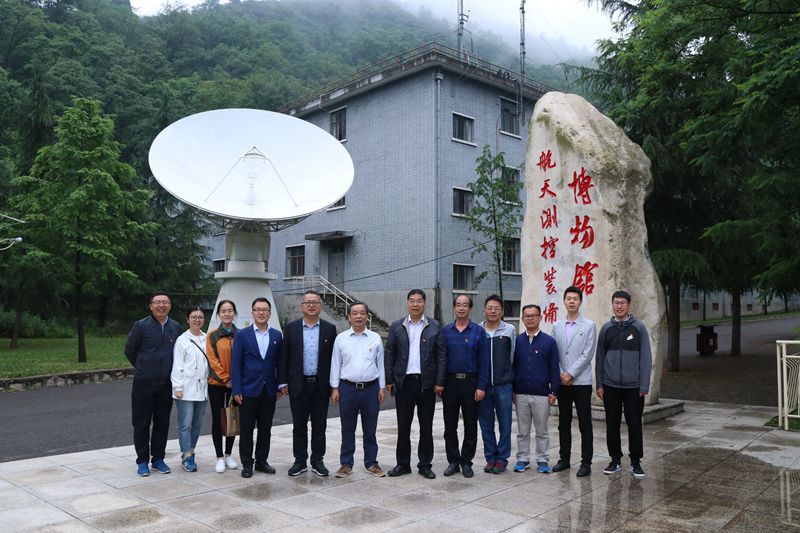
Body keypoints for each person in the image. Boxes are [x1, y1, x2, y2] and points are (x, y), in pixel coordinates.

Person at [385, 289, 445, 480]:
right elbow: (390, 354)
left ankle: (425, 465)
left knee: (426, 427)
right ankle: (402, 464)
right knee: (403, 426)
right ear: (407, 303)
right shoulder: (397, 326)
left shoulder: (435, 326)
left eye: (419, 301)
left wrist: (439, 381)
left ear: (424, 303)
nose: (415, 304)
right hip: (404, 383)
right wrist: (389, 379)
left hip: (426, 384)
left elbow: (441, 355)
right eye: (412, 301)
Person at [278, 290, 337, 477]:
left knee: (320, 426)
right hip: (299, 385)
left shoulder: (329, 329)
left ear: (320, 306)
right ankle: (300, 461)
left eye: (315, 302)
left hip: (321, 386)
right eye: (307, 302)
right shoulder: (291, 328)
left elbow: (334, 359)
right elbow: (284, 356)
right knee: (299, 426)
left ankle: (318, 460)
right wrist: (282, 382)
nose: (311, 305)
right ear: (302, 306)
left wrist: (334, 385)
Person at [595, 290, 653, 480]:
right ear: (612, 305)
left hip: (633, 387)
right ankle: (615, 460)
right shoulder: (606, 329)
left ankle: (636, 461)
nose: (619, 306)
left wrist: (644, 385)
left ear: (629, 305)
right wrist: (599, 383)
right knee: (612, 424)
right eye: (616, 303)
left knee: (634, 424)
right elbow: (600, 357)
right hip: (610, 385)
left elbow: (646, 358)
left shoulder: (639, 328)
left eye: (622, 303)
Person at [125, 292, 181, 477]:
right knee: (141, 423)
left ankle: (158, 459)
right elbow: (130, 350)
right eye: (157, 302)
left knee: (162, 423)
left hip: (166, 384)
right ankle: (142, 461)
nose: (161, 306)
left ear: (170, 305)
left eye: (165, 302)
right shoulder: (141, 326)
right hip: (143, 383)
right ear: (151, 306)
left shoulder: (175, 327)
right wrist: (143, 367)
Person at [330, 302, 386, 478]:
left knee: (370, 429)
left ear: (367, 316)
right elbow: (335, 364)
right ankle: (346, 463)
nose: (359, 316)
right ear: (349, 317)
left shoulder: (375, 338)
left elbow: (380, 364)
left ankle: (371, 462)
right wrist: (334, 387)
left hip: (371, 389)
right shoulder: (341, 339)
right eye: (355, 313)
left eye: (362, 313)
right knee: (347, 428)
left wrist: (382, 387)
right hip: (347, 388)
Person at [231, 297, 284, 479]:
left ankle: (262, 461)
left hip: (269, 390)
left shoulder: (276, 335)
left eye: (264, 309)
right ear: (252, 313)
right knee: (246, 430)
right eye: (258, 309)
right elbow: (236, 364)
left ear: (270, 313)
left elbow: (279, 363)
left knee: (265, 429)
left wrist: (281, 385)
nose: (261, 312)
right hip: (248, 390)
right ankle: (247, 464)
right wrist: (236, 389)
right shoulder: (242, 335)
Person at [438, 294, 490, 478]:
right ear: (454, 307)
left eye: (465, 305)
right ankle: (453, 461)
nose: (461, 308)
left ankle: (467, 462)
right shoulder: (446, 331)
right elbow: (441, 358)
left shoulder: (478, 331)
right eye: (458, 305)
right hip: (450, 383)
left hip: (471, 383)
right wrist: (440, 383)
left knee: (470, 425)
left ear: (470, 308)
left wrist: (481, 386)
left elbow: (484, 361)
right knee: (449, 425)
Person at [551, 286, 597, 477]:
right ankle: (565, 459)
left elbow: (588, 354)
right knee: (564, 422)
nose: (571, 301)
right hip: (562, 382)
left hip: (581, 382)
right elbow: (554, 353)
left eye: (575, 299)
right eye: (568, 298)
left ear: (580, 302)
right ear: (564, 301)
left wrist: (570, 373)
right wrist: (562, 374)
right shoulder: (557, 326)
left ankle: (586, 462)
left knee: (585, 423)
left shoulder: (589, 325)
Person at [512, 304, 560, 474]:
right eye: (527, 316)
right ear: (523, 319)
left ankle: (542, 460)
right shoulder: (517, 341)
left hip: (541, 394)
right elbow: (513, 366)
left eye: (534, 315)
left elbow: (554, 368)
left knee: (542, 431)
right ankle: (523, 459)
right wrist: (513, 390)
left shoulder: (549, 342)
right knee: (522, 431)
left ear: (540, 317)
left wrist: (554, 391)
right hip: (521, 393)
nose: (530, 318)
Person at [478, 294, 516, 474]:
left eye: (497, 308)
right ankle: (490, 457)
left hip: (503, 385)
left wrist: (510, 379)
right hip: (483, 386)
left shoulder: (509, 330)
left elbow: (513, 357)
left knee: (505, 424)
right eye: (490, 308)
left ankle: (502, 458)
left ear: (502, 312)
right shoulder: (477, 330)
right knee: (486, 424)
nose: (493, 311)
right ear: (484, 310)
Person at [171, 306, 209, 472]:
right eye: (194, 317)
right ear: (188, 319)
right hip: (185, 389)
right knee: (185, 424)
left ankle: (191, 452)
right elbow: (177, 365)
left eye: (200, 317)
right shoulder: (182, 340)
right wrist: (178, 387)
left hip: (203, 389)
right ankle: (186, 455)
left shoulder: (207, 338)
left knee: (197, 424)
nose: (197, 320)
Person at [206, 300, 239, 474]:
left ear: (234, 313)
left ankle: (228, 454)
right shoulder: (212, 336)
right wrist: (226, 379)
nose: (227, 314)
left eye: (230, 310)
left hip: (236, 385)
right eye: (223, 311)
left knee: (233, 418)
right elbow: (213, 361)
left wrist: (236, 380)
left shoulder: (241, 334)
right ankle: (219, 457)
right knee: (218, 419)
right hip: (217, 384)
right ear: (218, 314)